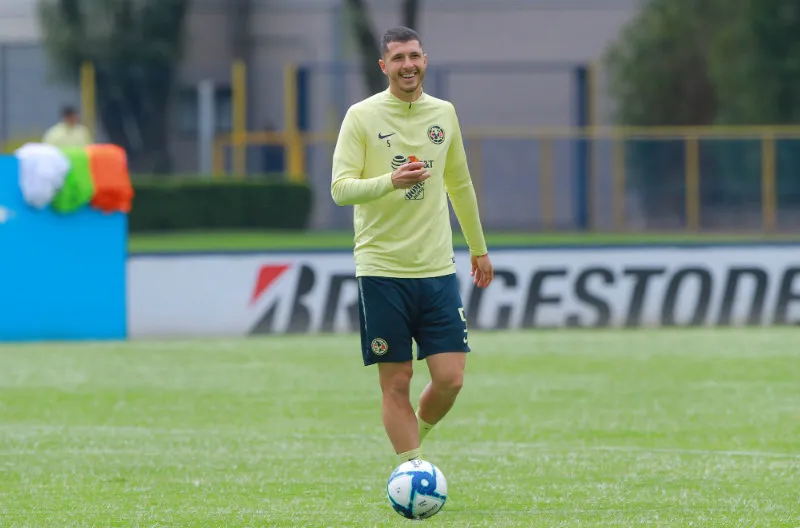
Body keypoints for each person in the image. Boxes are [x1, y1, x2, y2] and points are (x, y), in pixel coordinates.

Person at [331, 26, 494, 467]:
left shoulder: (444, 113)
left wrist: (478, 249)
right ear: (384, 66)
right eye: (398, 58)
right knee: (397, 379)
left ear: (425, 60)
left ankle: (412, 448)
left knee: (450, 378)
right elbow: (340, 189)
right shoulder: (361, 117)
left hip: (437, 267)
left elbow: (459, 184)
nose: (408, 65)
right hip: (382, 269)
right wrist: (390, 181)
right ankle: (412, 469)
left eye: (414, 56)